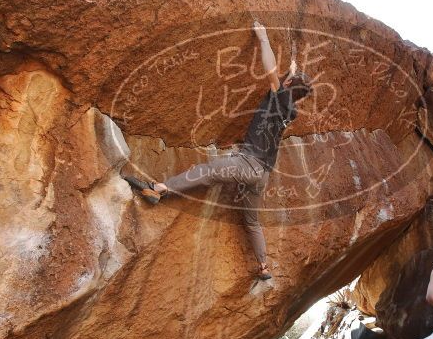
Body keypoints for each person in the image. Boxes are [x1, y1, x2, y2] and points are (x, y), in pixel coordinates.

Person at [124, 21, 312, 281]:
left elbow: (270, 71)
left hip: (248, 164)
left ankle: (158, 190)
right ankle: (263, 266)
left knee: (207, 171)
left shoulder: (281, 98)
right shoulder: (290, 111)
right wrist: (293, 73)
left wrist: (264, 38)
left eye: (287, 77)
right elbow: (286, 80)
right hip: (262, 174)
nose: (282, 77)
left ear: (288, 83)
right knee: (251, 221)